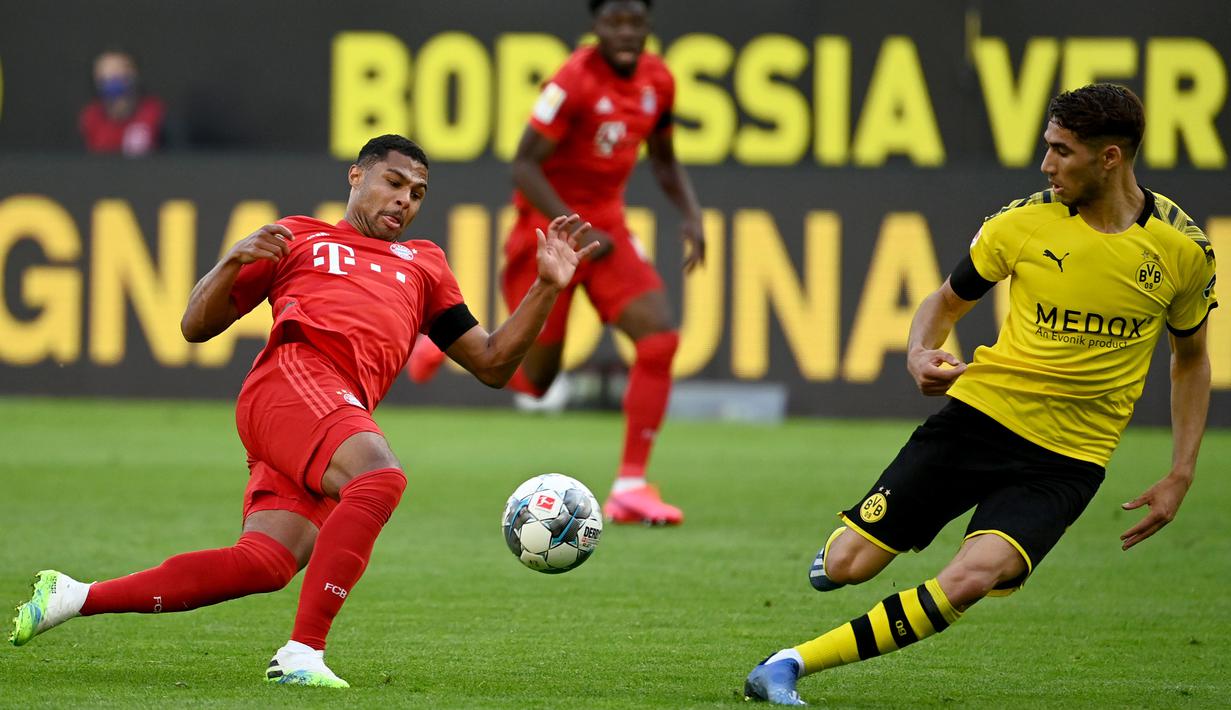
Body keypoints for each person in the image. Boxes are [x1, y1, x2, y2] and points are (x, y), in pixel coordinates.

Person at [8, 134, 598, 688]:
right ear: (356, 175)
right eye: (392, 182)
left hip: (328, 413)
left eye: (417, 193)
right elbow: (193, 327)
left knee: (265, 562)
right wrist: (231, 261)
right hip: (293, 380)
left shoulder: (424, 264)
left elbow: (493, 363)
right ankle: (302, 652)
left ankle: (73, 596)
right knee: (379, 477)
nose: (404, 200)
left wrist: (547, 287)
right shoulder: (300, 238)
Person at [744, 84, 1217, 705]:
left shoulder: (1183, 250)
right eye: (1046, 147)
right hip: (980, 419)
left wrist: (1181, 472)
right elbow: (944, 301)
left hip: (1068, 460)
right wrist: (919, 351)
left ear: (1110, 158)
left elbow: (1190, 360)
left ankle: (786, 665)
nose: (1046, 165)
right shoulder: (1021, 222)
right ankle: (840, 556)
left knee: (970, 580)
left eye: (1061, 151)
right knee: (849, 566)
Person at [408, 0, 704, 526]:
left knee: (660, 340)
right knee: (534, 380)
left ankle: (631, 487)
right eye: (615, 21)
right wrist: (574, 223)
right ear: (595, 27)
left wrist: (691, 213)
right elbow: (523, 165)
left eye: (636, 21)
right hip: (549, 234)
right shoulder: (572, 81)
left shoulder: (658, 79)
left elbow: (662, 157)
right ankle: (442, 341)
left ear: (649, 25)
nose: (627, 32)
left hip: (606, 232)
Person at [79, 49, 165, 156]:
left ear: (134, 74)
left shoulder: (153, 111)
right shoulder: (91, 116)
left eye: (119, 69)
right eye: (106, 71)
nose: (113, 75)